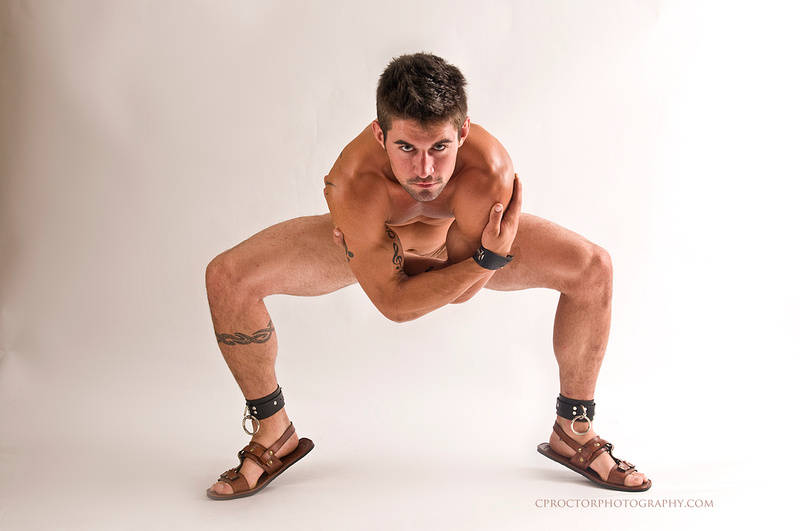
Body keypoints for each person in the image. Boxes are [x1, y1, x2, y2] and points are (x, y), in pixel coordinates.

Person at [205, 52, 650, 499]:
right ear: (380, 134)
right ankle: (273, 432)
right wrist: (486, 260)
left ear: (462, 132)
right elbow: (395, 307)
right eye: (406, 148)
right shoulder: (353, 180)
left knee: (593, 268)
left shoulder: (488, 169)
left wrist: (465, 265)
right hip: (392, 244)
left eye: (439, 147)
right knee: (228, 277)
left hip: (445, 243)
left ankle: (574, 429)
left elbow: (462, 295)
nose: (424, 170)